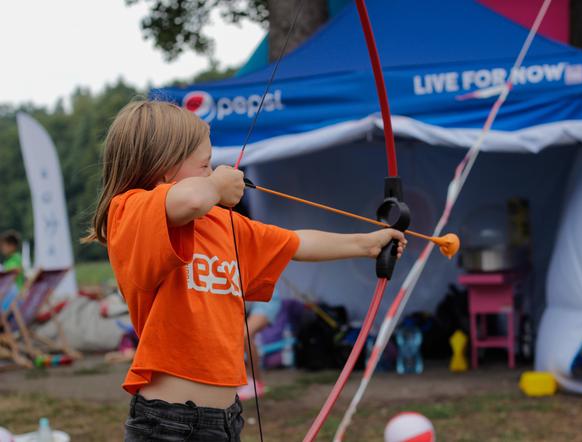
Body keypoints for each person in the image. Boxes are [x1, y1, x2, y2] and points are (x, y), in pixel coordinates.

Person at [84, 100, 406, 442]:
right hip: (168, 423)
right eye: (205, 165)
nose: (212, 172)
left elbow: (295, 243)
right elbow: (190, 200)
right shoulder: (130, 212)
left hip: (225, 419)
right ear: (165, 168)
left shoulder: (221, 223)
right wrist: (218, 186)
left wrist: (366, 244)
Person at [238, 287, 283, 401]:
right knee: (239, 336)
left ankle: (254, 383)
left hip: (266, 296)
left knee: (244, 334)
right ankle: (254, 383)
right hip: (248, 299)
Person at [0, 230, 24, 313]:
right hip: (14, 297)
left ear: (12, 246)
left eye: (3, 245)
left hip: (14, 298)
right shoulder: (13, 259)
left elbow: (14, 270)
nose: (1, 247)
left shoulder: (15, 259)